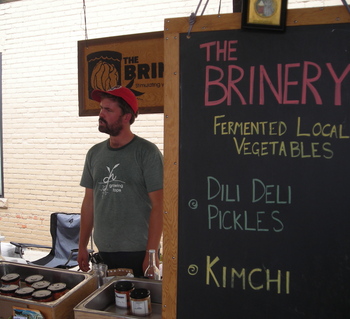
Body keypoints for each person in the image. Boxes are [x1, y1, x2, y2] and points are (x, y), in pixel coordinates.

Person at [77, 85, 163, 277]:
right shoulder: (94, 153)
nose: (101, 114)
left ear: (126, 117)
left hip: (138, 252)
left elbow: (160, 206)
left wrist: (151, 255)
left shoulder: (147, 153)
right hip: (104, 253)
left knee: (139, 306)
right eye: (101, 108)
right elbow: (89, 203)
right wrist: (82, 245)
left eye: (108, 110)